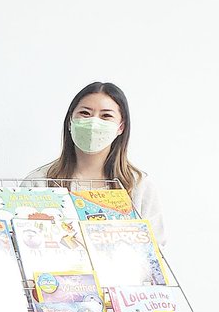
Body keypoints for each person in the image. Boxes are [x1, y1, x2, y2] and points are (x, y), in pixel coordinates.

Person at [26, 81, 167, 247]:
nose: (93, 123)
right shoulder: (39, 182)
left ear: (121, 127)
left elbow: (157, 249)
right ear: (70, 121)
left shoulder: (138, 185)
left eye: (106, 116)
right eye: (85, 113)